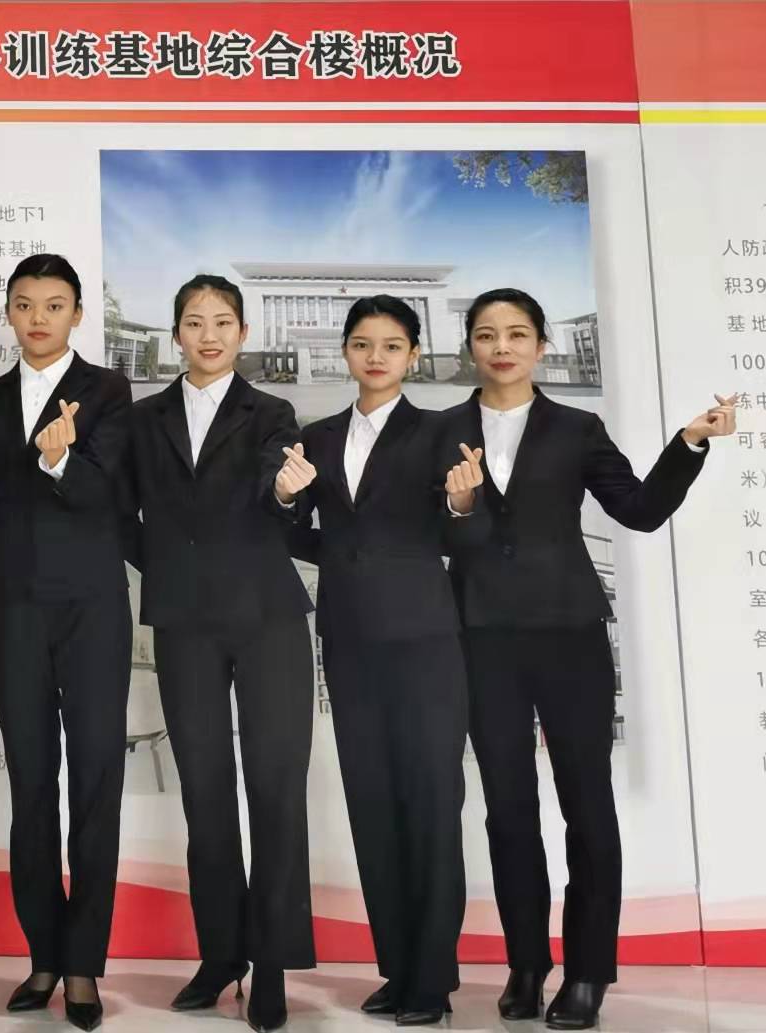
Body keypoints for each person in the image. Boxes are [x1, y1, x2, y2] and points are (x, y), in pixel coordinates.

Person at [447, 288, 732, 1031]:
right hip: (480, 637)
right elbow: (425, 531)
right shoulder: (439, 430)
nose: (501, 346)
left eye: (517, 333)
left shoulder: (576, 428)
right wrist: (457, 507)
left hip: (569, 635)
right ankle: (525, 963)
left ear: (540, 345)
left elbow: (638, 510)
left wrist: (688, 443)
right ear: (469, 345)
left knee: (587, 806)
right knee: (507, 809)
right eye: (486, 334)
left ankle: (586, 973)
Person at [0, 254, 132, 1032]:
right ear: (8, 313)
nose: (38, 317)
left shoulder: (107, 391)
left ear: (77, 313)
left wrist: (58, 459)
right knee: (31, 782)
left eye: (53, 304)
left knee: (95, 779)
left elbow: (107, 492)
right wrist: (7, 524)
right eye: (24, 304)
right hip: (14, 605)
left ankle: (82, 963)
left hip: (92, 605)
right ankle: (43, 953)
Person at [283, 296, 488, 1027]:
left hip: (424, 638)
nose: (376, 357)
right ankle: (397, 968)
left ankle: (431, 977)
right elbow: (297, 533)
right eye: (363, 344)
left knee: (430, 803)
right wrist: (285, 500)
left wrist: (462, 507)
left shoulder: (441, 432)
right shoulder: (316, 436)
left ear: (412, 355)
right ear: (345, 350)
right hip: (348, 638)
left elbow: (464, 536)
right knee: (371, 802)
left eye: (392, 345)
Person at [127, 274, 314, 1032]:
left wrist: (288, 493)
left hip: (267, 617)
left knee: (274, 790)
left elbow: (278, 488)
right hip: (183, 621)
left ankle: (270, 963)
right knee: (204, 794)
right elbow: (120, 514)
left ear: (242, 332)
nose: (208, 335)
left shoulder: (271, 412)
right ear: (175, 332)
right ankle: (219, 955)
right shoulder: (142, 420)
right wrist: (167, 566)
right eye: (195, 322)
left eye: (223, 321)